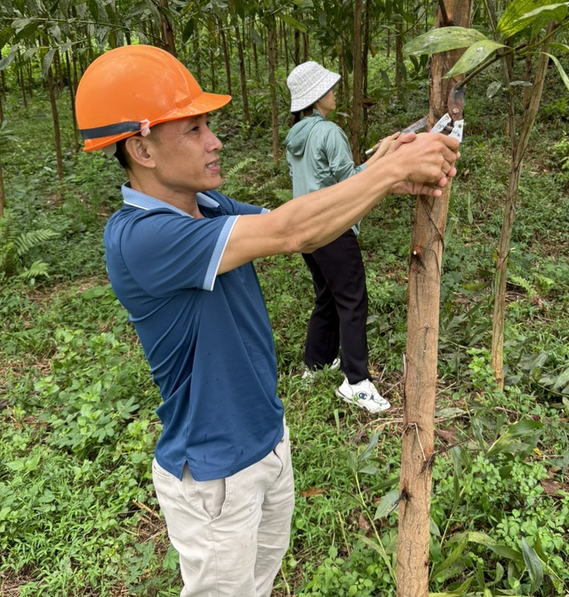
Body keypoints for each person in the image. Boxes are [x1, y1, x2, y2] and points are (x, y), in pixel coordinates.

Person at [74, 44, 459, 597]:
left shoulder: (207, 207)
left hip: (266, 444)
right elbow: (291, 234)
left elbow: (301, 220)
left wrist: (379, 171)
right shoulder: (141, 238)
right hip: (214, 475)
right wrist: (391, 169)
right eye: (194, 129)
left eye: (209, 125)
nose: (215, 141)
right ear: (142, 149)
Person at [285, 61, 399, 414]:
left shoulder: (295, 137)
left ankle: (315, 364)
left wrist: (378, 154)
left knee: (327, 297)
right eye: (330, 89)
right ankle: (356, 382)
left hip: (306, 230)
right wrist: (383, 155)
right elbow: (352, 183)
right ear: (317, 97)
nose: (335, 93)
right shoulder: (329, 133)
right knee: (352, 301)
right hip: (333, 228)